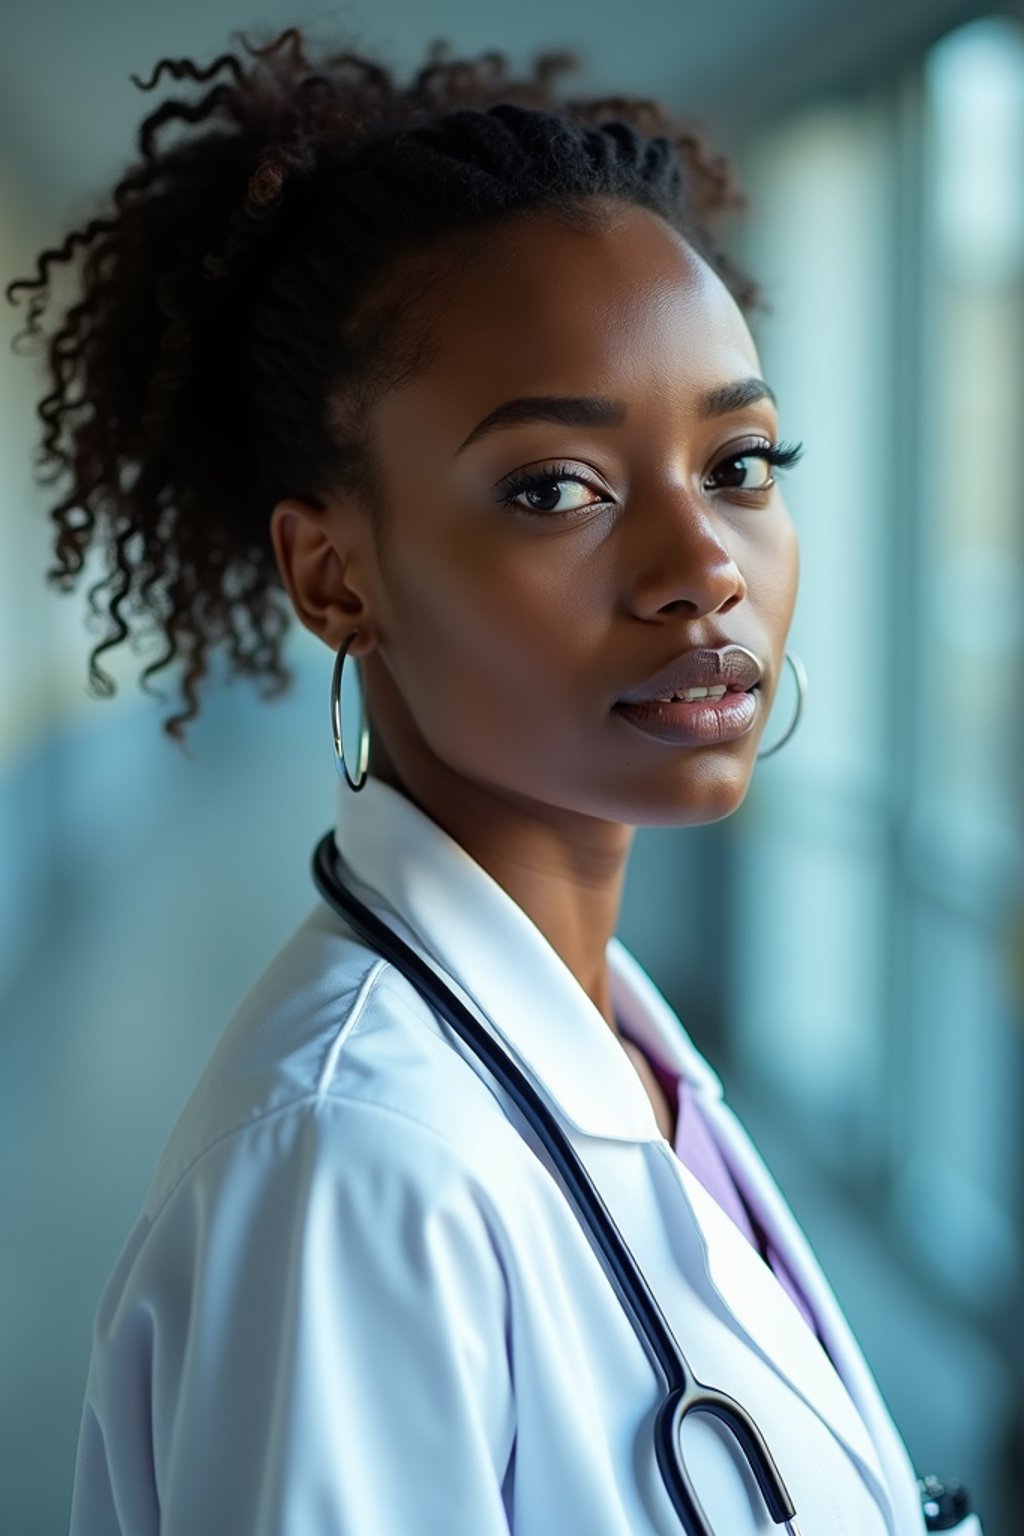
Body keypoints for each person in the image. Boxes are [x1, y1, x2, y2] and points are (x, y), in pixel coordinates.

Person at [7, 24, 983, 1536]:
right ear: (333, 574)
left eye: (740, 466)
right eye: (556, 489)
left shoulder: (618, 1044)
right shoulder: (351, 1173)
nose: (702, 570)